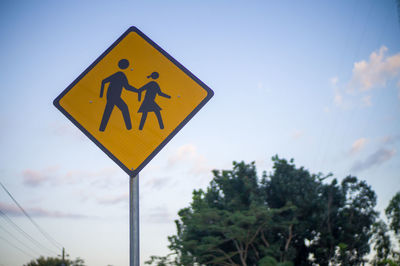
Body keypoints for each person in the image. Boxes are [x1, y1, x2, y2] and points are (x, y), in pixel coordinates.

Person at [99, 59, 139, 131]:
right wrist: (101, 94)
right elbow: (103, 81)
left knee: (110, 111)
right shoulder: (119, 74)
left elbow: (127, 87)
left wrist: (137, 91)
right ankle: (129, 128)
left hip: (114, 97)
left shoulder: (120, 75)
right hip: (113, 96)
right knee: (121, 109)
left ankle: (102, 129)